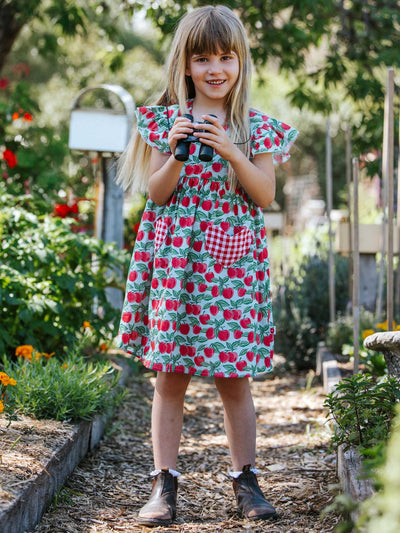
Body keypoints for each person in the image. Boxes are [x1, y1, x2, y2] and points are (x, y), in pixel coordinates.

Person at [116, 4, 298, 527]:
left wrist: (232, 152)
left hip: (231, 270)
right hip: (178, 268)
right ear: (185, 64)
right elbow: (156, 192)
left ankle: (246, 479)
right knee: (170, 375)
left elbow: (262, 195)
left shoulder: (257, 129)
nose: (215, 68)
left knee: (233, 377)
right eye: (202, 58)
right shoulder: (165, 121)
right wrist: (177, 150)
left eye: (226, 56)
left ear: (241, 62)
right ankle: (163, 483)